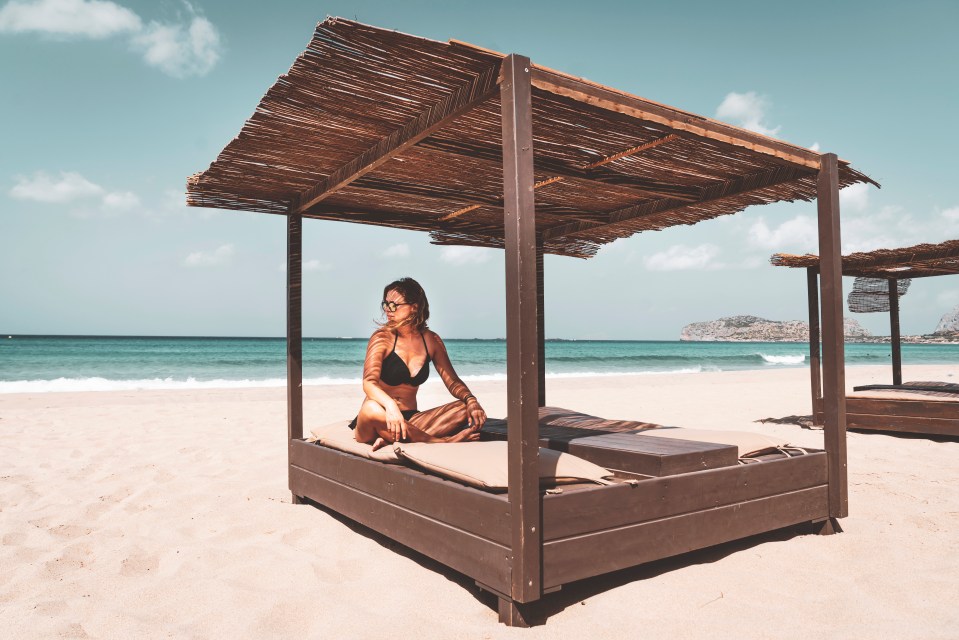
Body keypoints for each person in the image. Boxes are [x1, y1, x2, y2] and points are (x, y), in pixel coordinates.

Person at [351, 277, 486, 450]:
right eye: (385, 304)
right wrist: (390, 406)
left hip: (412, 419)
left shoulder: (431, 341)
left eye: (393, 305)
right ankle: (439, 441)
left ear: (414, 307)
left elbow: (452, 381)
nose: (387, 310)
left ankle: (394, 438)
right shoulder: (382, 338)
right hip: (379, 417)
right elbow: (369, 383)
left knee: (464, 408)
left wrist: (471, 400)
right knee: (370, 408)